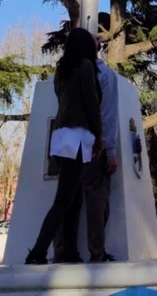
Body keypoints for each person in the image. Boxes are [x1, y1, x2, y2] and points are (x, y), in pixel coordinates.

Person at [26, 28, 104, 265]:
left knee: (73, 199)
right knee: (64, 200)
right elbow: (91, 103)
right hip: (79, 137)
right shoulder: (86, 66)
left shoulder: (62, 70)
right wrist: (99, 135)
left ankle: (70, 251)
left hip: (61, 137)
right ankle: (38, 252)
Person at [54, 24, 119, 263]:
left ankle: (63, 250)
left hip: (65, 145)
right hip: (92, 143)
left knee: (66, 200)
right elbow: (106, 114)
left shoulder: (62, 72)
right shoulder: (102, 74)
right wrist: (108, 147)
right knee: (96, 198)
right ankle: (97, 252)